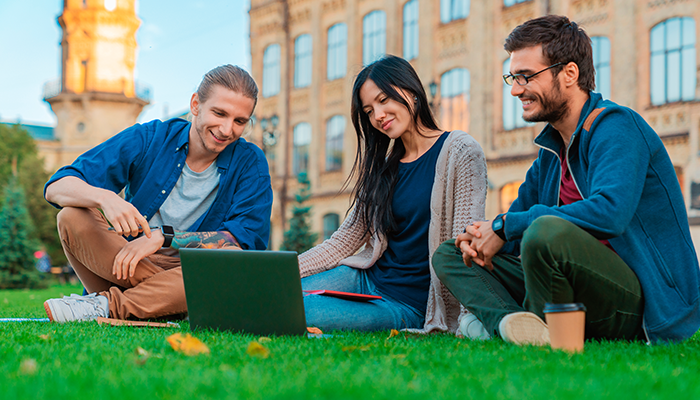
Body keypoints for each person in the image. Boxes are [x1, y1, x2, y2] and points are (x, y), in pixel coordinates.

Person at [433, 15, 700, 345]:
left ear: (569, 73)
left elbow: (609, 213)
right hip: (570, 291)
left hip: (640, 303)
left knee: (545, 231)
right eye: (513, 78)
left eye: (527, 77)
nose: (516, 90)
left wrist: (505, 225)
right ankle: (510, 325)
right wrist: (482, 237)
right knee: (451, 252)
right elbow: (514, 231)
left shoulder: (617, 127)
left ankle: (516, 326)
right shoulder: (551, 149)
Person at [43, 65, 273, 322]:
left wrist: (165, 238)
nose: (227, 129)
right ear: (196, 104)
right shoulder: (150, 137)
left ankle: (107, 306)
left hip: (188, 272)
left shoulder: (250, 161)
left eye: (239, 121)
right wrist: (105, 198)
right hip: (128, 263)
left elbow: (244, 241)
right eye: (219, 113)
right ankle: (167, 304)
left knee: (229, 260)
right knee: (71, 217)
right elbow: (57, 186)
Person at [298, 55, 487, 333]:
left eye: (384, 100)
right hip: (365, 278)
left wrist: (468, 318)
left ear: (410, 92)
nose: (378, 116)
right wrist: (280, 273)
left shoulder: (460, 151)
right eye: (369, 110)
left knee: (300, 311)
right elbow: (341, 243)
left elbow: (465, 244)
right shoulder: (384, 168)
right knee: (279, 294)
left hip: (407, 304)